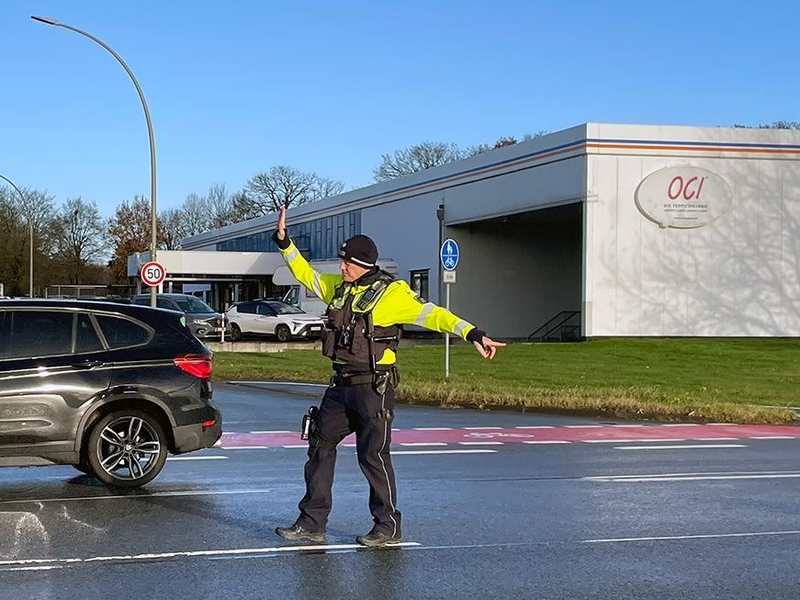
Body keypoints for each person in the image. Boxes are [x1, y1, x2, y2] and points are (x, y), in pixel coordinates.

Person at [273, 205, 505, 547]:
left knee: (373, 456)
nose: (341, 267)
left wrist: (473, 333)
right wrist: (284, 242)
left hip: (373, 387)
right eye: (341, 261)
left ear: (364, 264)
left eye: (347, 263)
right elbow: (306, 275)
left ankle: (387, 526)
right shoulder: (340, 287)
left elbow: (435, 314)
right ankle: (312, 522)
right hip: (340, 384)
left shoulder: (393, 293)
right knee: (320, 444)